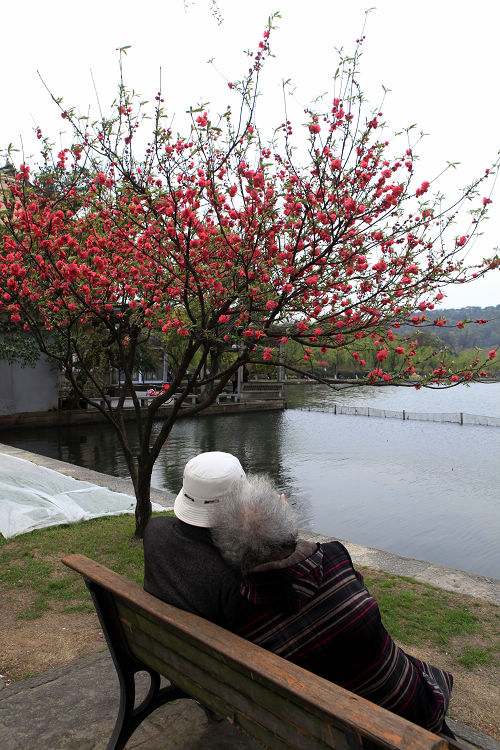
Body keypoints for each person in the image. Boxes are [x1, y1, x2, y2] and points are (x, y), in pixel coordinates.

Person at [143, 452, 453, 735]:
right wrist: (278, 523)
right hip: (386, 721)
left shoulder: (157, 535)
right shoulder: (244, 589)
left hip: (223, 682)